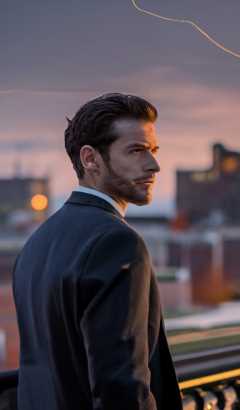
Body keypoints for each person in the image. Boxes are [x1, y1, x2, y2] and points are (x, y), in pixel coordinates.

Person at [12, 93, 183, 409]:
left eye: (154, 150)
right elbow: (120, 386)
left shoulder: (36, 244)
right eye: (136, 150)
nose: (154, 165)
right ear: (90, 159)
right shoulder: (117, 242)